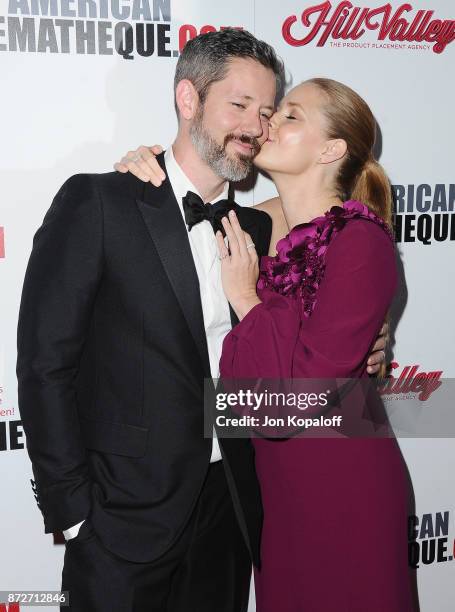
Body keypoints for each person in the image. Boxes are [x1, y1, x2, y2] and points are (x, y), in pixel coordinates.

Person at [17, 28, 386, 612]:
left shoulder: (265, 232)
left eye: (267, 112)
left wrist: (376, 342)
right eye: (238, 105)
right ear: (188, 100)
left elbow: (325, 314)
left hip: (233, 509)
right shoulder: (101, 204)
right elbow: (44, 365)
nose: (255, 126)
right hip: (123, 517)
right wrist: (73, 512)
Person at [115, 78, 412, 611]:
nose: (268, 124)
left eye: (289, 116)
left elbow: (296, 397)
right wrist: (141, 172)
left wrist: (248, 300)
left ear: (331, 150)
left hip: (341, 484)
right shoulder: (245, 223)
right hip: (270, 495)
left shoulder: (360, 240)